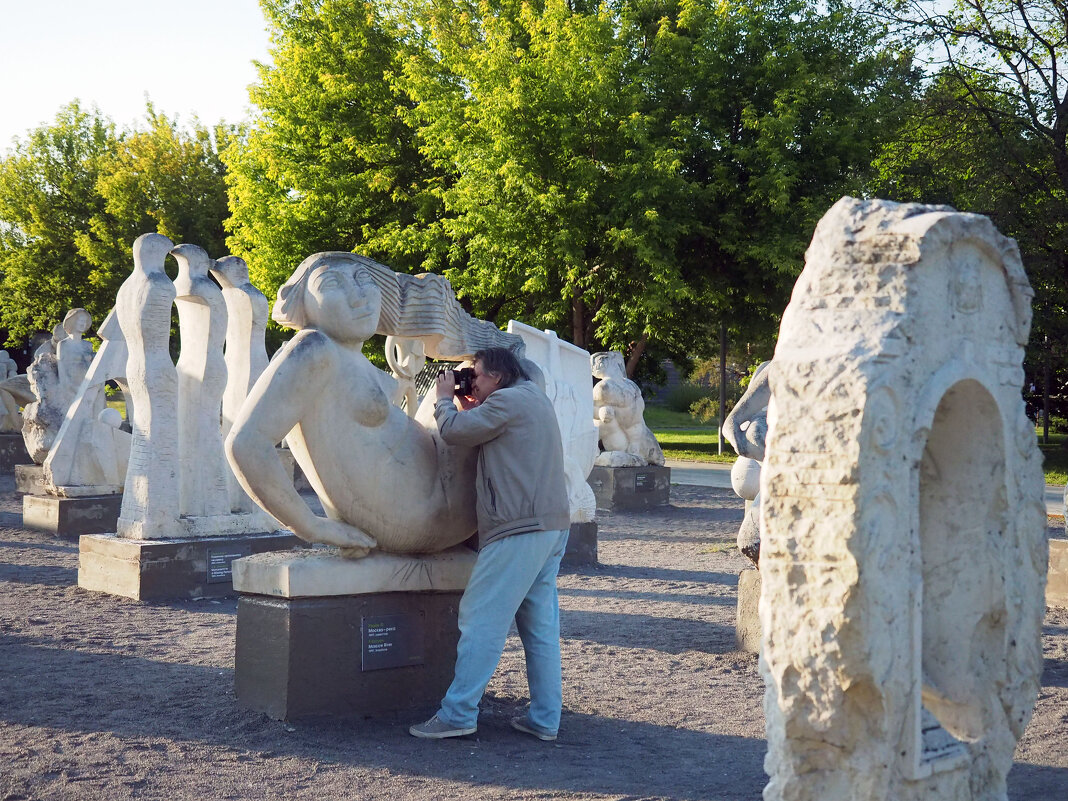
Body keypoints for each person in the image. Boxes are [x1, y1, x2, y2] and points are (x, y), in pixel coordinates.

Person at [409, 347, 571, 742]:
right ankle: (545, 719)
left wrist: (445, 399)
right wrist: (472, 403)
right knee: (540, 630)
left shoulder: (507, 402)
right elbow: (483, 428)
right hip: (550, 528)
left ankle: (459, 713)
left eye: (476, 375)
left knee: (480, 619)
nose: (472, 381)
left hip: (518, 530)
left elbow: (454, 432)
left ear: (497, 377)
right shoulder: (531, 397)